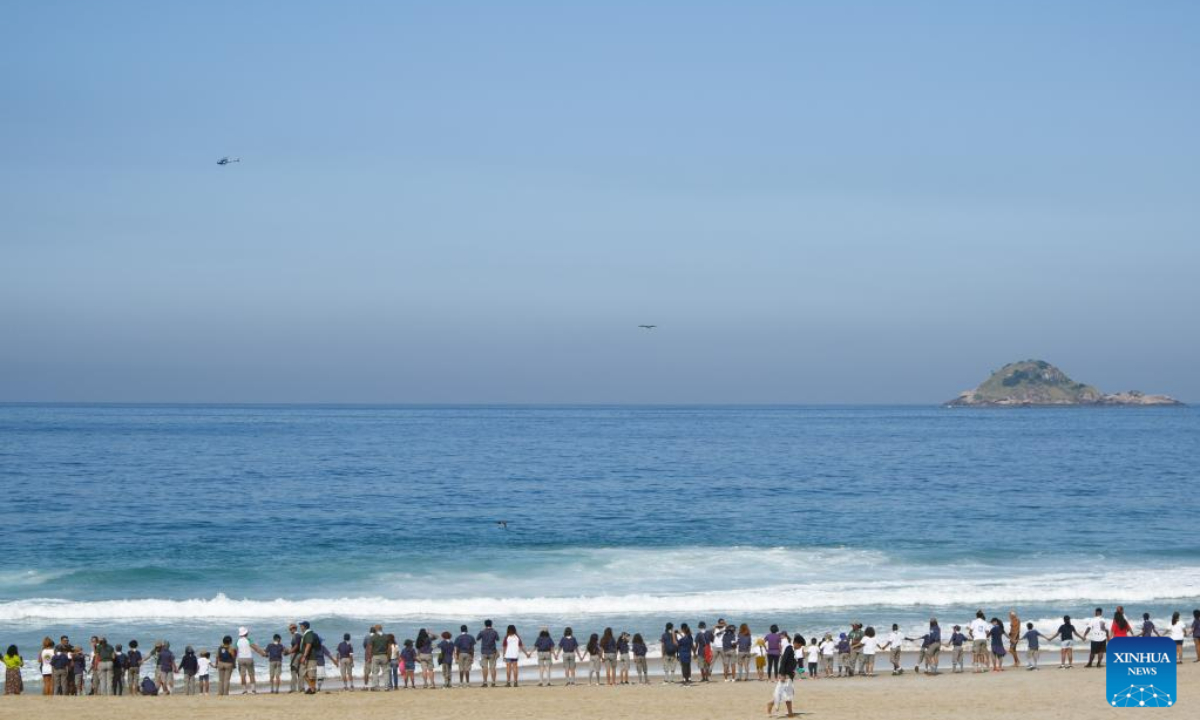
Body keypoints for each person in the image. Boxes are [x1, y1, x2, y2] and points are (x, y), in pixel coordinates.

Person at [766, 635, 800, 718]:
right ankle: (789, 712)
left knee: (785, 694)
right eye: (800, 645)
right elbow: (783, 661)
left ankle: (772, 704)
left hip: (789, 675)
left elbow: (790, 663)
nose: (800, 647)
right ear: (795, 643)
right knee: (785, 694)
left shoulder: (792, 650)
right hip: (785, 675)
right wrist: (781, 674)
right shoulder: (789, 648)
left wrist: (794, 671)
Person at [298, 620, 320, 694]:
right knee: (303, 672)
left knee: (311, 674)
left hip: (311, 657)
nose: (300, 627)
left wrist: (304, 656)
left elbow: (308, 645)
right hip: (308, 657)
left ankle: (312, 689)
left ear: (304, 627)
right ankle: (312, 688)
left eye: (301, 626)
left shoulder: (309, 634)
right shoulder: (306, 634)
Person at [477, 619, 500, 688]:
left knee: (484, 667)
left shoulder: (482, 632)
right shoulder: (494, 632)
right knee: (492, 667)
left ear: (485, 624)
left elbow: (477, 639)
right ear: (491, 624)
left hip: (484, 652)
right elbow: (498, 639)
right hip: (492, 651)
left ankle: (485, 682)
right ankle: (493, 683)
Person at [235, 626, 258, 693]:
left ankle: (244, 690)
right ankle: (253, 690)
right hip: (249, 658)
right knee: (251, 674)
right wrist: (263, 653)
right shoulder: (249, 640)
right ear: (246, 633)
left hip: (241, 659)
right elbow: (255, 648)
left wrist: (233, 660)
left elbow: (235, 651)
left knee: (242, 675)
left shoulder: (237, 641)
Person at [368, 624, 389, 690]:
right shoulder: (386, 636)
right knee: (386, 672)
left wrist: (369, 657)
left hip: (376, 656)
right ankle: (386, 687)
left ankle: (376, 687)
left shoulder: (373, 637)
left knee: (375, 672)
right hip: (384, 655)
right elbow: (389, 648)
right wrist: (388, 656)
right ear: (381, 628)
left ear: (376, 629)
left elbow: (370, 648)